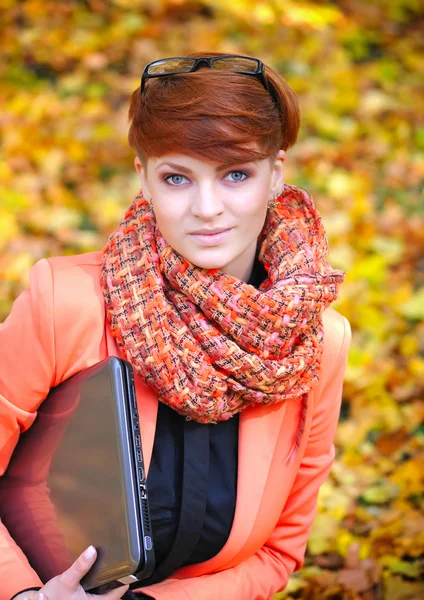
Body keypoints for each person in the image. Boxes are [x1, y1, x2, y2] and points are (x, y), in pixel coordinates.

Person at [0, 52, 351, 600]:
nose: (207, 208)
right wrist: (22, 594)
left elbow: (279, 552)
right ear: (145, 179)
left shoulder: (315, 343)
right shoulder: (65, 303)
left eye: (236, 174)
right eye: (177, 177)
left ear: (276, 174)